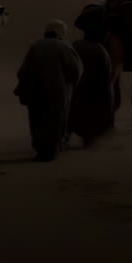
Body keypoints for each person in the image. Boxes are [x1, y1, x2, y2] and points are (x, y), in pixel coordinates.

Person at [13, 20, 83, 162]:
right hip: (58, 94)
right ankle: (52, 150)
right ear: (61, 33)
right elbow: (75, 71)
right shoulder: (65, 47)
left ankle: (40, 150)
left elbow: (23, 71)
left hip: (36, 94)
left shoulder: (36, 46)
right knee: (56, 120)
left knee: (37, 121)